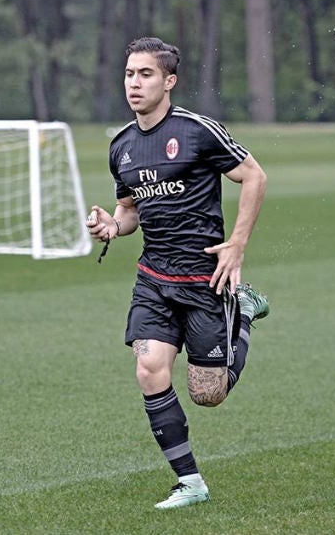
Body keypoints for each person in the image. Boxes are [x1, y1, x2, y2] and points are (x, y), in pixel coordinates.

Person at [87, 37, 270, 510]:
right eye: (129, 74)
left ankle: (243, 310)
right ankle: (190, 482)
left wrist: (238, 245)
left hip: (203, 279)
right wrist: (112, 225)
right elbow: (129, 211)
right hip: (154, 278)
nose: (134, 83)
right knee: (149, 370)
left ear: (169, 81)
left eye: (145, 74)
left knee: (208, 393)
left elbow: (254, 176)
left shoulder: (197, 130)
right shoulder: (122, 147)